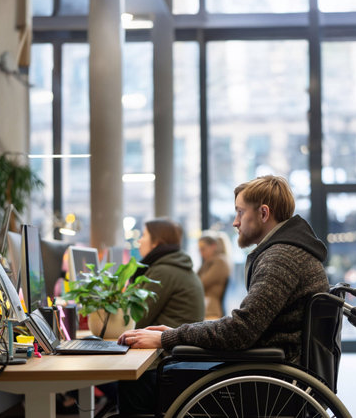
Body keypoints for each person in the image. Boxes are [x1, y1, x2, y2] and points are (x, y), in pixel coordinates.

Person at [116, 175, 329, 415]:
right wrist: (175, 334)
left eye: (240, 213)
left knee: (136, 384)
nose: (235, 222)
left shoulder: (281, 258)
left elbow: (240, 331)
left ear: (263, 213)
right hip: (272, 373)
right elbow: (245, 327)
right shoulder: (289, 253)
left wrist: (169, 339)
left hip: (269, 382)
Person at [132, 217, 205, 328]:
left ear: (156, 242)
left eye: (144, 235)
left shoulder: (162, 271)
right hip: (174, 339)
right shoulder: (175, 266)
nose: (139, 241)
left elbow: (137, 320)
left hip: (166, 343)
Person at [197, 231, 232, 319]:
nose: (201, 253)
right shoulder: (210, 262)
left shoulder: (219, 262)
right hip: (206, 308)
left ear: (213, 246)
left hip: (211, 311)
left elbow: (200, 283)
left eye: (203, 249)